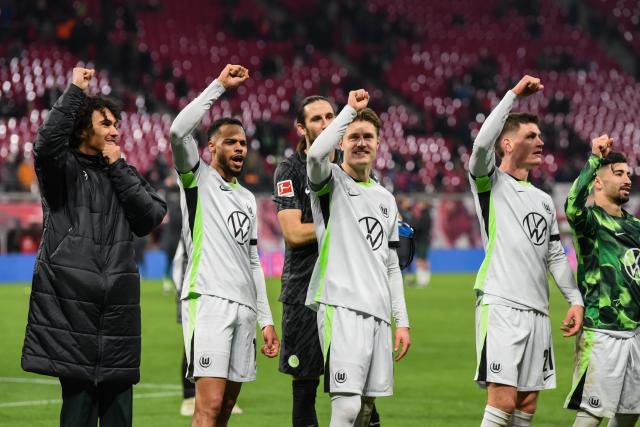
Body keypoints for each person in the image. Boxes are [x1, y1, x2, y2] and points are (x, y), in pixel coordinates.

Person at [21, 67, 167, 427]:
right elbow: (45, 144)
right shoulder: (62, 169)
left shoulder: (121, 170)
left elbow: (151, 216)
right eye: (105, 123)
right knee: (77, 415)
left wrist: (118, 169)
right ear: (84, 128)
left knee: (119, 416)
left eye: (116, 123)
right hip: (73, 315)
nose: (115, 130)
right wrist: (75, 91)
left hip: (118, 315)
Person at [468, 74, 585, 427]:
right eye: (530, 136)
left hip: (538, 311)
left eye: (540, 136)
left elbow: (553, 255)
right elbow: (478, 147)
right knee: (501, 399)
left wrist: (574, 299)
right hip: (501, 303)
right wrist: (513, 95)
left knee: (527, 404)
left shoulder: (544, 200)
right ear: (507, 144)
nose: (540, 141)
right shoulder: (489, 182)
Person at [168, 64, 279, 427]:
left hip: (244, 308)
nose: (238, 147)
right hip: (209, 301)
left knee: (225, 411)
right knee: (208, 407)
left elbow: (252, 261)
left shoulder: (247, 198)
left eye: (243, 143)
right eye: (230, 141)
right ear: (211, 147)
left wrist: (265, 318)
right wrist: (218, 86)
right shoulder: (196, 179)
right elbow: (177, 130)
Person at [306, 89, 410, 427]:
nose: (361, 143)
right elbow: (315, 154)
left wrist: (402, 320)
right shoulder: (329, 181)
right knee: (347, 407)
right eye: (353, 137)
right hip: (341, 306)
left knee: (365, 410)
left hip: (378, 313)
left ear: (379, 143)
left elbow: (392, 266)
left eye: (368, 137)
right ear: (341, 142)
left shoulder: (385, 199)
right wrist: (348, 112)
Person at [564, 136, 640, 427]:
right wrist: (594, 159)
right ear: (597, 182)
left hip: (635, 332)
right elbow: (572, 205)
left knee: (630, 412)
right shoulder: (590, 222)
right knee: (592, 416)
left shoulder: (635, 227)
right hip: (602, 333)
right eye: (618, 174)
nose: (627, 179)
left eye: (628, 175)